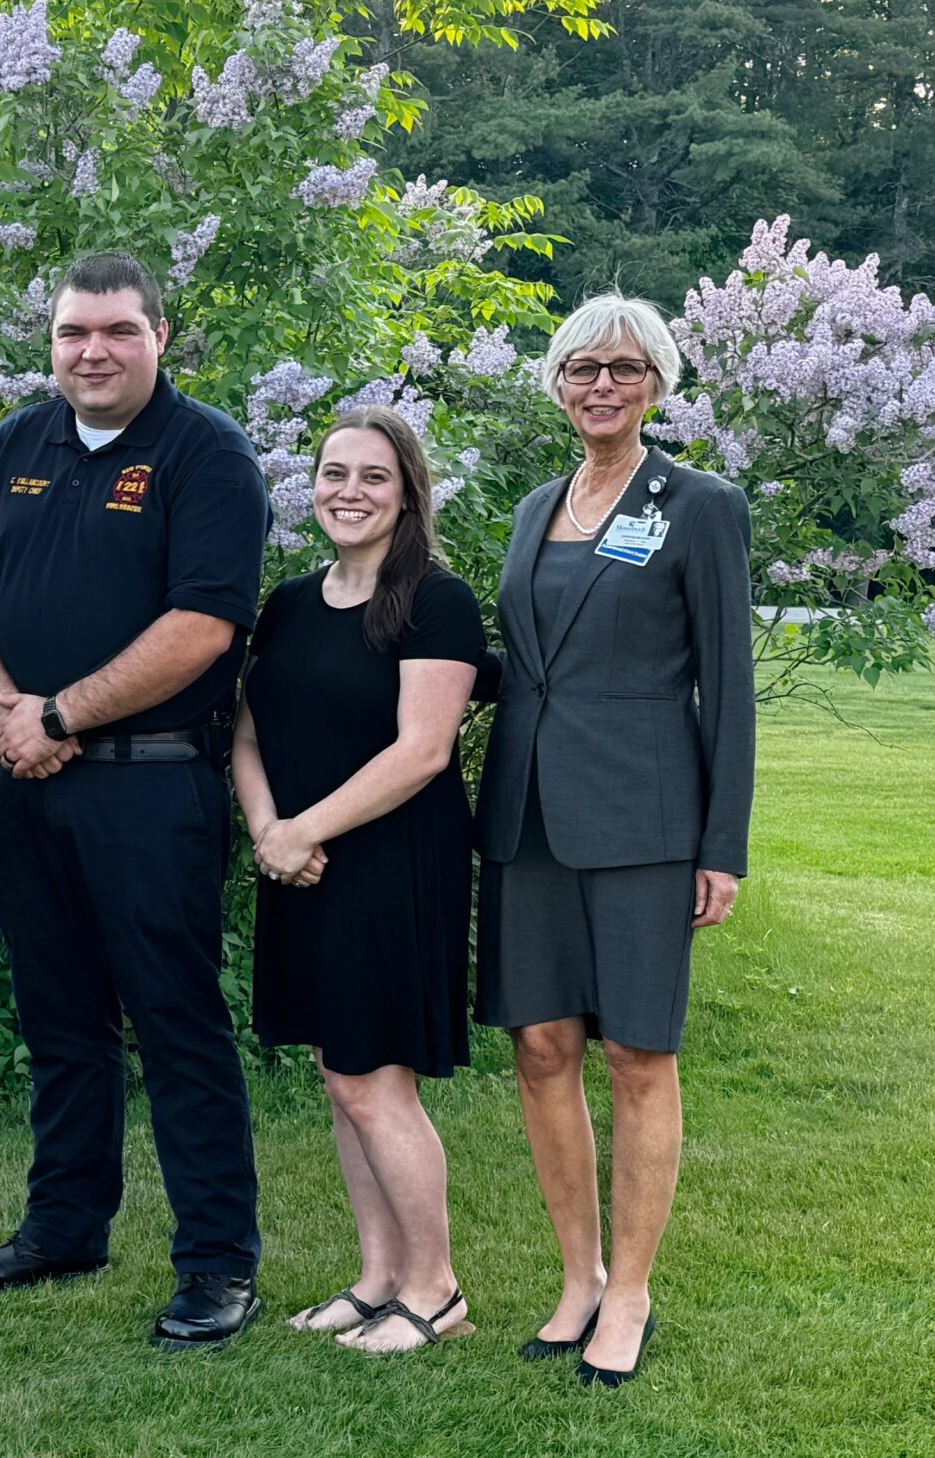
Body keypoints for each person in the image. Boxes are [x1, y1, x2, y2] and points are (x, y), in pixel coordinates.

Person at [0, 251, 271, 1349]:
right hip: (27, 786)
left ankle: (217, 1262)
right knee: (60, 1024)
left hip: (153, 786)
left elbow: (202, 627)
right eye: (74, 332)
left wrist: (60, 717)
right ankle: (66, 1226)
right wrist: (3, 709)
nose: (93, 351)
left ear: (159, 337)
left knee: (176, 1024)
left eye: (117, 331)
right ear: (52, 343)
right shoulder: (16, 446)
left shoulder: (205, 454)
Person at [475, 292, 754, 1388]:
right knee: (541, 1048)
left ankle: (631, 1291)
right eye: (583, 367)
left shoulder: (698, 504)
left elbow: (728, 690)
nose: (602, 384)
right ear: (555, 382)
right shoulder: (536, 504)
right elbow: (525, 663)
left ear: (656, 385)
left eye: (625, 369)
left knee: (639, 1054)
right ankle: (577, 1276)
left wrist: (719, 842)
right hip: (528, 815)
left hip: (645, 818)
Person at [231, 407, 487, 1354]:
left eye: (373, 477)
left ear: (408, 492)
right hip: (300, 867)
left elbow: (422, 752)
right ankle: (380, 1277)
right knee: (342, 1077)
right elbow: (249, 733)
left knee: (377, 1082)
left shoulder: (436, 601)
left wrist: (303, 829)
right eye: (333, 473)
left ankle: (436, 1288)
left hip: (388, 867)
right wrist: (268, 831)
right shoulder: (290, 603)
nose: (348, 491)